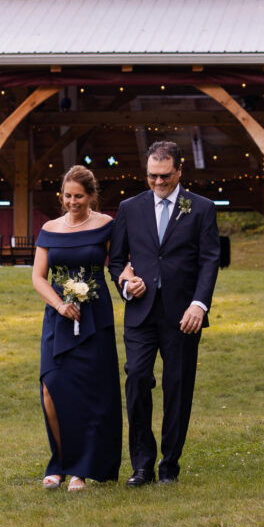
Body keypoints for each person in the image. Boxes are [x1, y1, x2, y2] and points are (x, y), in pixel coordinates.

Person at [109, 141, 220, 487]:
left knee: (178, 387)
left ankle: (169, 465)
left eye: (165, 176)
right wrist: (126, 285)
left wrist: (199, 305)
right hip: (140, 315)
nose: (158, 183)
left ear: (179, 172)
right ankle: (141, 465)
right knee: (137, 380)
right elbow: (116, 261)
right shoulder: (129, 207)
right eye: (152, 176)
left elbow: (209, 260)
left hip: (183, 315)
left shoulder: (201, 208)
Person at [32, 166, 123, 491]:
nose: (73, 202)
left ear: (91, 196)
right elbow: (38, 277)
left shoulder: (107, 226)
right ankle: (59, 462)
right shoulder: (49, 228)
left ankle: (82, 470)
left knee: (90, 393)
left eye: (79, 196)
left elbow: (118, 264)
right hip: (59, 317)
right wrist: (59, 304)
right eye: (68, 196)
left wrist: (131, 279)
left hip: (94, 317)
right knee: (51, 389)